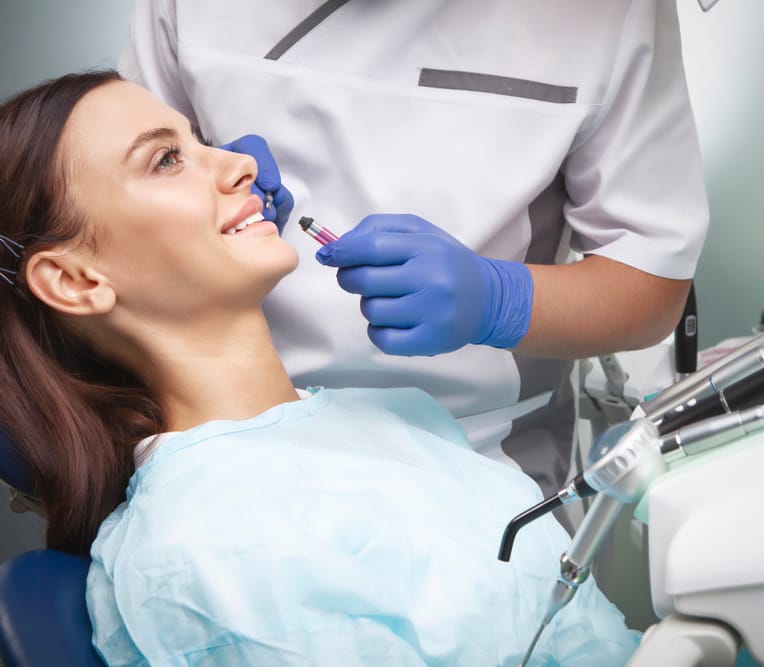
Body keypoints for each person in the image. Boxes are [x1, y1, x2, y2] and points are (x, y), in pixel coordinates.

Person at [0, 71, 639, 665]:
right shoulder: (211, 553)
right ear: (76, 281)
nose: (244, 163)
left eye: (202, 140)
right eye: (167, 159)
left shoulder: (373, 418)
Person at [119, 0, 710, 498]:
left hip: (482, 462)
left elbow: (650, 279)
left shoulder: (605, 14)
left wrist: (499, 300)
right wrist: (196, 156)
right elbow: (105, 203)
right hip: (223, 445)